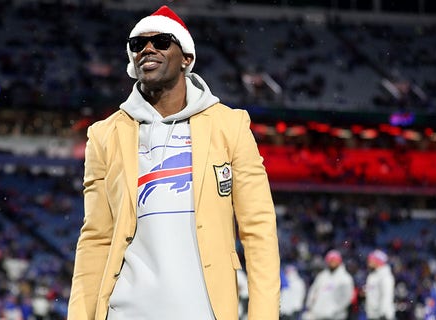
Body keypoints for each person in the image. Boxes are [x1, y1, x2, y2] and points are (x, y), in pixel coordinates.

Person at [67, 5, 280, 320]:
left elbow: (258, 228)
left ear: (187, 58)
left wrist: (263, 315)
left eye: (162, 41)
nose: (148, 49)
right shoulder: (104, 135)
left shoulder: (230, 126)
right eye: (138, 45)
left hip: (204, 310)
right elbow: (96, 238)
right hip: (127, 311)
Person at [304, 249, 355, 320]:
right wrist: (310, 306)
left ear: (339, 261)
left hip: (336, 316)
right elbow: (313, 291)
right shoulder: (322, 276)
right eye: (330, 260)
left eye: (334, 260)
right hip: (318, 314)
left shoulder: (345, 278)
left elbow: (348, 297)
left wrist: (335, 310)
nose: (332, 262)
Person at [364, 249, 395, 320]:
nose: (369, 262)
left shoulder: (385, 276)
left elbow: (387, 296)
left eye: (371, 260)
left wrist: (383, 313)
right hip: (373, 315)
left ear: (378, 261)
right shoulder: (372, 275)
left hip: (382, 316)